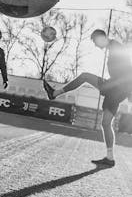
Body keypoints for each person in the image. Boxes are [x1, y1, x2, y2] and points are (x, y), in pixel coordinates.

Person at [43, 29, 132, 168]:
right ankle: (110, 158)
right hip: (116, 90)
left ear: (102, 37)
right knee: (106, 123)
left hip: (117, 86)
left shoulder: (115, 46)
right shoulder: (112, 48)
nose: (96, 45)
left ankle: (55, 93)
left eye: (95, 41)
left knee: (85, 76)